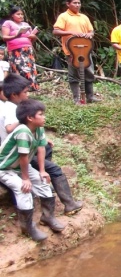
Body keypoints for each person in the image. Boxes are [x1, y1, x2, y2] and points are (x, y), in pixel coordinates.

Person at [2, 74, 83, 215]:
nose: (27, 95)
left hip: (19, 148)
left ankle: (45, 183)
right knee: (55, 169)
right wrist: (23, 121)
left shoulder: (12, 107)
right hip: (15, 152)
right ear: (14, 95)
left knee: (46, 149)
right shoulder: (11, 110)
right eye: (25, 92)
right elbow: (9, 128)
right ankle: (69, 204)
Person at [0, 99, 65, 241]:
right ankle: (27, 227)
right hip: (5, 168)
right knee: (23, 188)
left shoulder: (39, 128)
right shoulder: (22, 131)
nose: (44, 117)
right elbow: (23, 156)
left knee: (43, 181)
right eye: (41, 114)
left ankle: (48, 217)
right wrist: (26, 179)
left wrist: (42, 170)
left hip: (21, 166)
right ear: (30, 118)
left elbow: (41, 148)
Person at [53, 0, 99, 104]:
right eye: (75, 3)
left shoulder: (84, 17)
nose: (77, 5)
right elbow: (55, 31)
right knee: (74, 75)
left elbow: (91, 31)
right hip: (72, 50)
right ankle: (76, 99)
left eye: (79, 3)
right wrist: (71, 32)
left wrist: (90, 35)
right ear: (68, 4)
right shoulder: (63, 16)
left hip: (85, 50)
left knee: (89, 72)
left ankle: (90, 96)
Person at [1, 6, 38, 90]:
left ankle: (29, 88)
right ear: (12, 15)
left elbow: (31, 39)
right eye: (18, 14)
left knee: (30, 69)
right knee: (19, 68)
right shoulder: (8, 23)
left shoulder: (26, 24)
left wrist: (33, 36)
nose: (21, 16)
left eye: (22, 14)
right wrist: (15, 35)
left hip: (28, 50)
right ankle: (19, 89)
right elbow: (4, 37)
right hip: (16, 51)